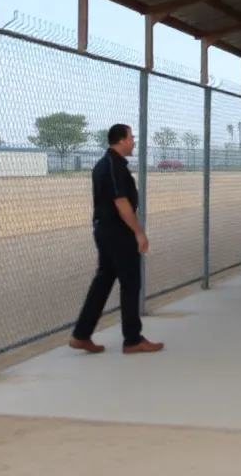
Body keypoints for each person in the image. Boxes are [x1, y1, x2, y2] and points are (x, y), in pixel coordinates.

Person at [69, 123, 164, 355]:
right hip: (117, 232)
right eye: (131, 138)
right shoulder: (113, 166)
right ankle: (132, 340)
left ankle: (81, 334)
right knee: (130, 282)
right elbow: (121, 203)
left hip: (106, 230)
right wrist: (138, 232)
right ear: (121, 140)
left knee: (103, 280)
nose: (133, 142)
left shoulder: (107, 164)